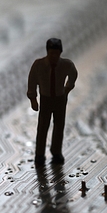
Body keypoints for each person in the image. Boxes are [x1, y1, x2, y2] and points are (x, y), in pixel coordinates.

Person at [27, 38, 78, 166]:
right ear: (47, 52)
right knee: (43, 127)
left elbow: (73, 74)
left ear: (60, 53)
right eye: (51, 53)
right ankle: (39, 154)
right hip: (45, 99)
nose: (54, 56)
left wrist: (68, 88)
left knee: (59, 126)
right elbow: (32, 82)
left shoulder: (66, 64)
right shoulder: (38, 65)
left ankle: (56, 152)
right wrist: (33, 99)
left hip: (60, 99)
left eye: (56, 53)